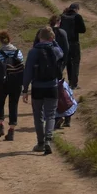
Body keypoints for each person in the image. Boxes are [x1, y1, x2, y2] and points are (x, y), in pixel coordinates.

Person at [22, 26, 64, 155]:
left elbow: (28, 71)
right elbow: (62, 52)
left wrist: (25, 89)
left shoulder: (33, 52)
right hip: (52, 86)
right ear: (51, 37)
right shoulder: (55, 50)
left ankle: (40, 143)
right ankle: (48, 140)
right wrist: (54, 41)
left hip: (37, 87)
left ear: (39, 37)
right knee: (50, 115)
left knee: (38, 115)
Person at [0, 30, 25, 142]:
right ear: (10, 39)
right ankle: (11, 130)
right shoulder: (18, 52)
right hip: (16, 82)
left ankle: (0, 125)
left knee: (0, 103)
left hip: (3, 82)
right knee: (13, 105)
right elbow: (21, 63)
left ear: (1, 41)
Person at [59, 3, 87, 89]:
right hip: (74, 42)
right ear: (76, 9)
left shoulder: (62, 16)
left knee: (67, 63)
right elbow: (83, 30)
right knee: (75, 62)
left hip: (64, 43)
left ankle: (65, 80)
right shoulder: (77, 17)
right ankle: (73, 83)